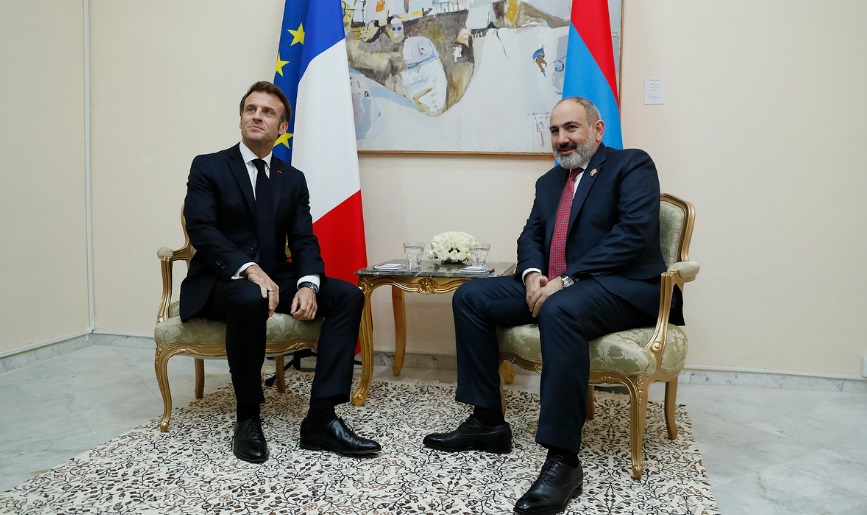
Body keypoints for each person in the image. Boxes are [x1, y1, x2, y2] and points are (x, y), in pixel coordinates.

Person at [423, 97, 683, 514]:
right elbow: (531, 235)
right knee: (471, 297)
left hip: (621, 288)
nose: (562, 139)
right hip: (559, 286)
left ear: (597, 129)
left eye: (571, 128)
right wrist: (531, 275)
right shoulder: (549, 181)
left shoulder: (631, 164)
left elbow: (633, 234)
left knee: (559, 308)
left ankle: (563, 460)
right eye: (555, 131)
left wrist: (566, 279)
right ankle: (487, 421)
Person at [180, 81, 380, 464]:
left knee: (347, 296)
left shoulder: (292, 178)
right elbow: (202, 229)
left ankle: (321, 418)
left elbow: (303, 239)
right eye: (250, 109)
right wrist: (249, 269)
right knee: (249, 296)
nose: (256, 116)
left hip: (276, 277)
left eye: (267, 112)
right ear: (241, 118)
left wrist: (308, 284)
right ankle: (248, 417)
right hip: (221, 281)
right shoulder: (209, 166)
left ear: (282, 127)